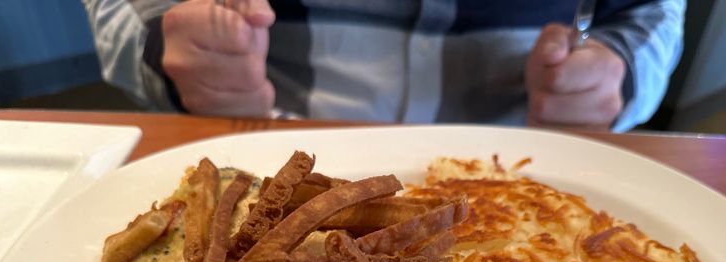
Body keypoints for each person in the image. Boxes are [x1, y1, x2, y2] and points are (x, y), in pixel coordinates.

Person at [82, 0, 685, 131]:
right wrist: (164, 52)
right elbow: (123, 13)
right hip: (258, 133)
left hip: (528, 156)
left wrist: (621, 74)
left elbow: (653, 15)